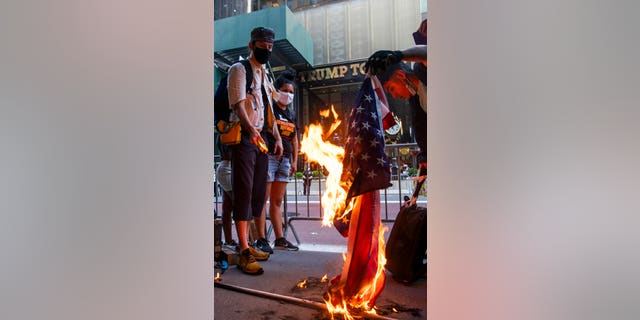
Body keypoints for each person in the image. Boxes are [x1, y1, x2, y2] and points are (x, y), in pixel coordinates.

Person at [228, 26, 283, 275]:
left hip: (262, 141)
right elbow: (239, 105)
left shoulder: (265, 75)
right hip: (245, 139)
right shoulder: (239, 70)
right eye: (263, 46)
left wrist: (278, 138)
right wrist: (252, 131)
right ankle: (243, 250)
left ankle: (250, 243)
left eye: (270, 46)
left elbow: (271, 110)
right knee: (244, 190)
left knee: (259, 193)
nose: (267, 50)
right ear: (252, 45)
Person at [365, 19, 427, 171]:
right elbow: (422, 129)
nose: (393, 95)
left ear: (400, 75)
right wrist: (425, 155)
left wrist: (398, 55)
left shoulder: (422, 70)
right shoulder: (416, 100)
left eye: (391, 88)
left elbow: (429, 53)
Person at [255, 70, 300, 253]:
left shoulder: (290, 113)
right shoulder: (269, 109)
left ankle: (280, 239)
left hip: (285, 160)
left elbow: (295, 139)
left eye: (291, 92)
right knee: (262, 199)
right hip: (269, 157)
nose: (288, 94)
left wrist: (295, 161)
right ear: (276, 90)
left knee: (277, 201)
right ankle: (261, 238)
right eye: (285, 90)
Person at [215, 138, 237, 247]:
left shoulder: (223, 130)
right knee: (241, 206)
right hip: (230, 167)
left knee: (227, 207)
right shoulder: (233, 129)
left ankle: (229, 241)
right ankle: (248, 243)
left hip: (225, 167)